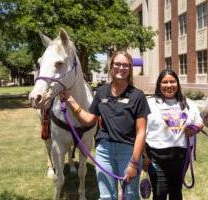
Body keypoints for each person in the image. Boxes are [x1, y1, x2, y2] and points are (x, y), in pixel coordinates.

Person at [60, 51, 150, 200]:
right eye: (118, 64)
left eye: (125, 65)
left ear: (130, 69)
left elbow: (141, 132)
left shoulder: (137, 95)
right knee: (107, 196)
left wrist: (134, 163)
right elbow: (89, 119)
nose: (121, 68)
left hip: (128, 151)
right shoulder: (102, 92)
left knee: (130, 195)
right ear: (111, 67)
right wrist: (70, 100)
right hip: (104, 151)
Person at [144, 68, 203, 200]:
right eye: (165, 82)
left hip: (182, 158)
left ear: (178, 83)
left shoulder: (189, 104)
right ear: (159, 85)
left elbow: (200, 122)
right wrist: (144, 156)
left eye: (172, 81)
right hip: (156, 158)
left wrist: (195, 128)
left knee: (176, 192)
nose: (169, 85)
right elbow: (140, 131)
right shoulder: (149, 104)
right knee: (160, 193)